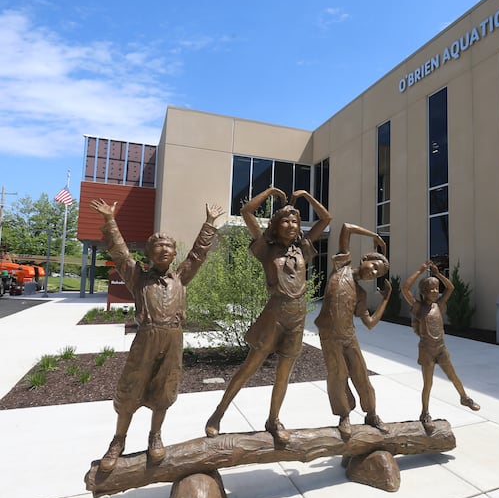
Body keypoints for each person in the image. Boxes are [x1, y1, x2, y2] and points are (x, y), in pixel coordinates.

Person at [90, 198, 224, 471]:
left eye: (169, 246)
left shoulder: (181, 278)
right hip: (146, 339)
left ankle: (155, 436)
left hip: (173, 339)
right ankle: (118, 440)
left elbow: (198, 255)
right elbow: (120, 254)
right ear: (149, 253)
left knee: (165, 388)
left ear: (174, 253)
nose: (164, 249)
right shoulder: (137, 277)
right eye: (158, 246)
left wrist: (209, 224)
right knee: (131, 388)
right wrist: (110, 221)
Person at [205, 187, 331, 443]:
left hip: (297, 316)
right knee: (249, 367)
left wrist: (306, 198)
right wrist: (271, 191)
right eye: (285, 220)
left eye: (295, 221)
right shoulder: (266, 248)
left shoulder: (302, 248)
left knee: (284, 373)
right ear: (275, 225)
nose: (291, 225)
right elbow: (246, 211)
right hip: (274, 314)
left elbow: (326, 219)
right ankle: (218, 414)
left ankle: (273, 419)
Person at [314, 223, 391, 439]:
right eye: (374, 267)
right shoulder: (342, 265)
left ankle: (372, 413)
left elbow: (369, 322)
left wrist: (385, 300)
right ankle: (344, 416)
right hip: (329, 336)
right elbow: (346, 228)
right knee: (337, 376)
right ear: (364, 260)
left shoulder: (361, 294)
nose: (373, 273)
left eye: (378, 273)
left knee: (361, 375)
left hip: (349, 337)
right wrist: (374, 234)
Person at [401, 260, 480, 432]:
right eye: (431, 289)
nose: (435, 291)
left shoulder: (439, 305)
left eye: (436, 288)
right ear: (423, 292)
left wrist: (437, 274)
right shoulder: (418, 307)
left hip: (441, 348)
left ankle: (464, 398)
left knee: (453, 375)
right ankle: (425, 413)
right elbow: (405, 289)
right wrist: (420, 270)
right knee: (428, 384)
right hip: (427, 350)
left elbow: (450, 287)